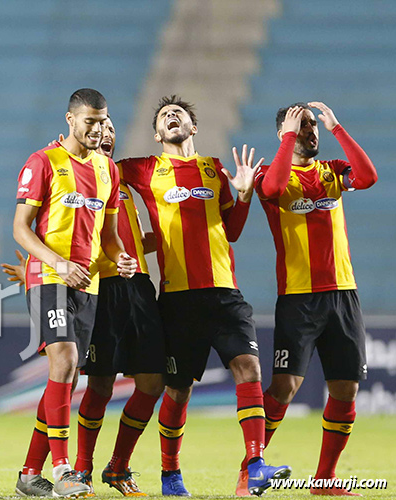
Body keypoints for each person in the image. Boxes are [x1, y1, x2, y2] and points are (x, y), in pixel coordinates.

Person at [118, 95, 289, 496]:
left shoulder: (214, 169)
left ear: (193, 128)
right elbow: (95, 174)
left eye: (178, 114)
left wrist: (244, 195)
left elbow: (231, 231)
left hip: (227, 295)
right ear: (156, 133)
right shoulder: (143, 169)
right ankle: (170, 473)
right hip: (178, 299)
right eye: (163, 116)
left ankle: (255, 464)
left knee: (249, 370)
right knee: (178, 390)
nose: (171, 118)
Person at [3, 117, 165, 497]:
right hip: (75, 281)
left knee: (78, 374)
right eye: (96, 125)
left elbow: (110, 237)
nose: (105, 133)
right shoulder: (50, 162)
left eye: (110, 127)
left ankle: (36, 472)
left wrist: (128, 255)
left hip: (114, 284)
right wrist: (40, 265)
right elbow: (30, 226)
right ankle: (69, 468)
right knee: (75, 370)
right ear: (74, 123)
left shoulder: (112, 175)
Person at [239, 102, 377, 497]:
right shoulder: (271, 173)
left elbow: (368, 177)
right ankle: (250, 468)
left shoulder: (332, 171)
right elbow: (272, 190)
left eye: (312, 126)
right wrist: (288, 134)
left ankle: (325, 479)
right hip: (299, 299)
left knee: (346, 389)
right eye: (302, 126)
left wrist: (337, 127)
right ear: (284, 132)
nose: (309, 132)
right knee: (284, 387)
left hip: (343, 295)